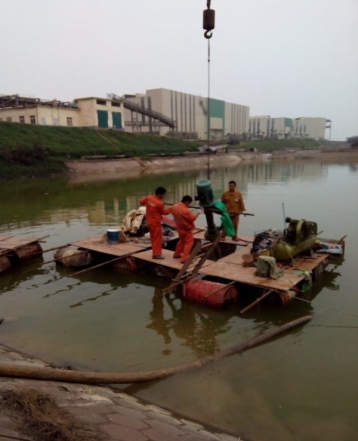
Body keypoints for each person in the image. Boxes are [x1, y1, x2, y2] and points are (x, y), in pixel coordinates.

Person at [139, 187, 171, 259]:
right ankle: (156, 254)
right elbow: (165, 212)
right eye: (163, 195)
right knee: (157, 239)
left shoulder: (148, 198)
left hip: (149, 222)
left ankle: (155, 252)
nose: (164, 196)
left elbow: (141, 202)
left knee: (153, 238)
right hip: (156, 223)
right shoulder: (159, 203)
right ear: (159, 194)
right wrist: (172, 209)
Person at [172, 195, 200, 264]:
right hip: (187, 229)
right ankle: (184, 258)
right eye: (189, 203)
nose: (189, 205)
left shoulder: (174, 206)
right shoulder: (185, 210)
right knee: (189, 243)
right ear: (187, 202)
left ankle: (177, 254)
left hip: (179, 228)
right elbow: (192, 218)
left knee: (181, 241)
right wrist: (198, 213)